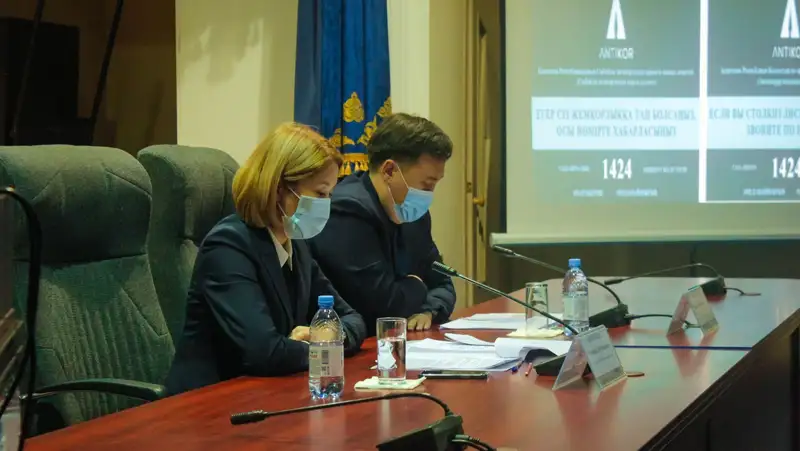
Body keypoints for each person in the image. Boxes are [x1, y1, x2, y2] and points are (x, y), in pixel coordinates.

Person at [166, 123, 367, 394]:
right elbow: (265, 351)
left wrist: (329, 334)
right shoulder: (228, 247)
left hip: (265, 392)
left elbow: (353, 319)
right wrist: (324, 347)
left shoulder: (296, 245)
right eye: (320, 193)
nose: (327, 204)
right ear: (279, 188)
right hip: (208, 401)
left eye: (330, 194)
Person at [309, 113, 456, 335]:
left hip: (399, 340)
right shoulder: (347, 211)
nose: (429, 195)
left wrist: (429, 311)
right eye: (427, 185)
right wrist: (418, 284)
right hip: (353, 345)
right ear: (389, 171)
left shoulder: (415, 215)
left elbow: (443, 283)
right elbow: (383, 306)